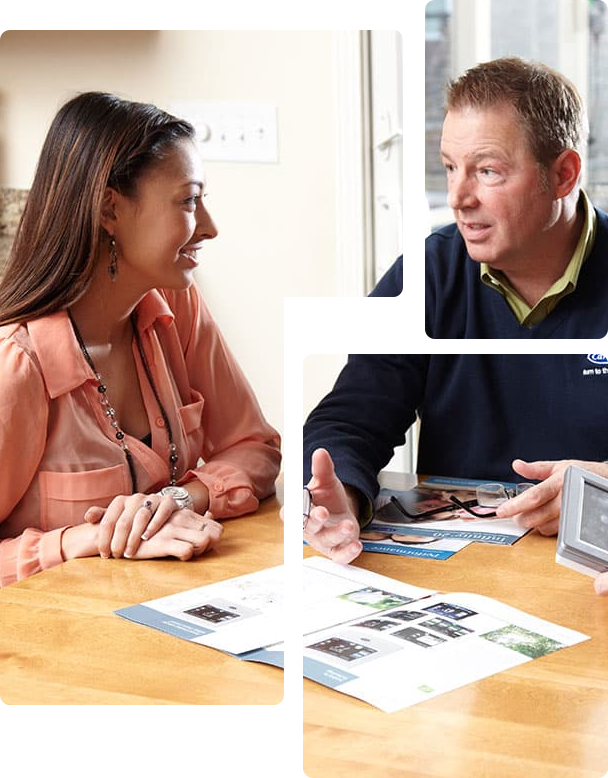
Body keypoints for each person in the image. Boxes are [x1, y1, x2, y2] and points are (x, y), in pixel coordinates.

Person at [280, 56, 608, 568]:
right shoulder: (423, 277)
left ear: (563, 174)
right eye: (451, 167)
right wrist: (336, 495)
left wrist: (602, 490)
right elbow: (348, 421)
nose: (458, 197)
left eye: (488, 171)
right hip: (464, 575)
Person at [0, 92, 281, 586]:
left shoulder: (179, 308)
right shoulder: (17, 364)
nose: (210, 227)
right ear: (109, 210)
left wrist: (171, 500)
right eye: (189, 200)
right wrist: (81, 540)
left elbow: (255, 447)